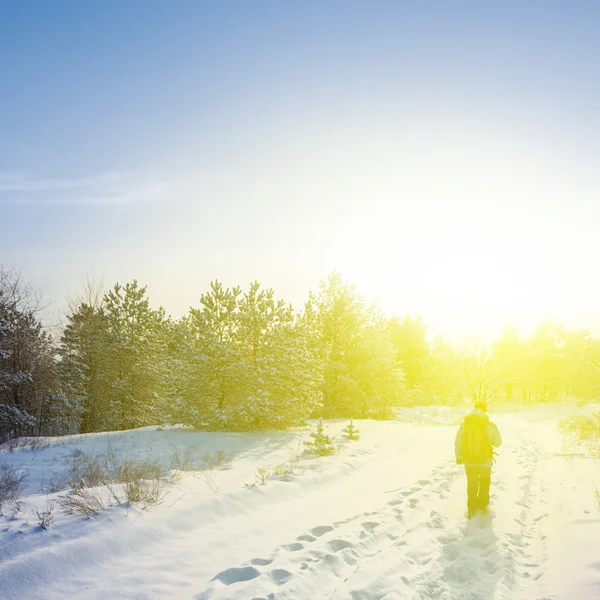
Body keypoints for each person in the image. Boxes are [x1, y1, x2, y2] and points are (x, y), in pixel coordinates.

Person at [455, 402, 502, 519]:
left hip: (469, 461)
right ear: (485, 411)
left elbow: (458, 441)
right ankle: (482, 505)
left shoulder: (465, 424)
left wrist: (458, 457)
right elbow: (498, 443)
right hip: (485, 462)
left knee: (472, 483)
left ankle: (471, 506)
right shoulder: (489, 425)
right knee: (484, 482)